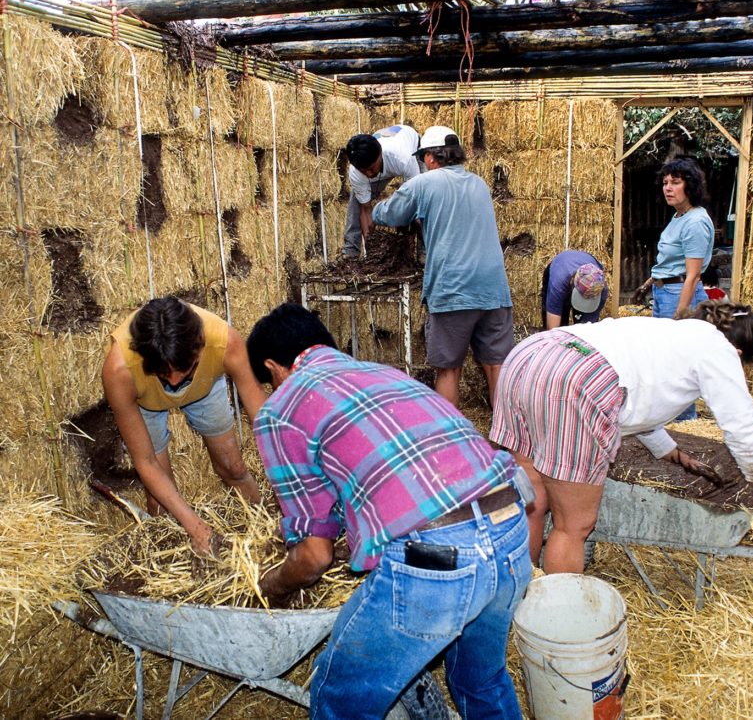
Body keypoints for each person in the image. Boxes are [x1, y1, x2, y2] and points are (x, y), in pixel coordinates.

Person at [247, 303, 533, 720]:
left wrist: (268, 588)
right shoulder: (385, 374)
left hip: (438, 559)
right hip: (510, 526)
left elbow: (313, 556)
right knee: (480, 682)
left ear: (273, 368)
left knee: (339, 696)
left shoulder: (280, 410)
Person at [491, 299, 753, 575]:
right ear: (739, 352)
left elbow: (642, 394)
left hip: (530, 356)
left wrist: (670, 451)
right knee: (573, 526)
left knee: (533, 500)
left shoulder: (671, 332)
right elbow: (742, 431)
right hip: (575, 379)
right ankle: (556, 602)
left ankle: (520, 591)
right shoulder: (720, 350)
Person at [102, 297, 266, 556]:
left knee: (233, 468)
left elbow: (264, 421)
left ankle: (261, 528)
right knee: (159, 499)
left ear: (200, 346)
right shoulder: (120, 370)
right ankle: (171, 559)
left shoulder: (224, 342)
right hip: (146, 400)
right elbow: (146, 461)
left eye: (184, 370)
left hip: (205, 386)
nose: (175, 382)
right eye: (165, 374)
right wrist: (197, 529)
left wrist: (290, 485)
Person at [365, 125, 513, 408]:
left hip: (453, 289)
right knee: (496, 366)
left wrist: (373, 208)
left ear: (431, 157)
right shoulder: (479, 184)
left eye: (423, 158)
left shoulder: (425, 183)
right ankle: (504, 434)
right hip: (493, 290)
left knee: (448, 370)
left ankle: (452, 435)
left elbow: (391, 214)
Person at [635, 156, 715, 420]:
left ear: (690, 185)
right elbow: (671, 261)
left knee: (677, 358)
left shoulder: (695, 222)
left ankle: (684, 418)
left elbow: (692, 275)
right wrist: (650, 282)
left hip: (678, 294)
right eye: (665, 183)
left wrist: (681, 313)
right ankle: (670, 414)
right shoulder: (679, 216)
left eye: (675, 182)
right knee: (663, 357)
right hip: (664, 291)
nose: (668, 188)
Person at [344, 125, 420, 258]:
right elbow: (366, 209)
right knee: (356, 200)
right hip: (386, 163)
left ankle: (423, 253)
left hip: (414, 150)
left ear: (380, 155)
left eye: (371, 168)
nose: (369, 174)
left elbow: (417, 196)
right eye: (364, 171)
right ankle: (351, 252)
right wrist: (371, 250)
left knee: (423, 204)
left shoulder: (403, 158)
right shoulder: (356, 171)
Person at [541, 250, 608, 329]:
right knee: (561, 324)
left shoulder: (600, 289)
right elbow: (552, 329)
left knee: (581, 322)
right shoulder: (558, 283)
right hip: (561, 266)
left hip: (573, 272)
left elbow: (589, 326)